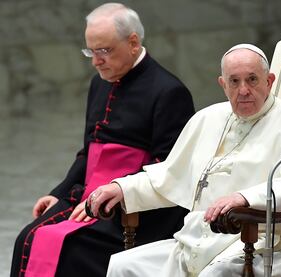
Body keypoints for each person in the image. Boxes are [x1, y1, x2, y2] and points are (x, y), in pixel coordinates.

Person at [89, 43, 281, 276]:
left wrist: (246, 198)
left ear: (269, 81)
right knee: (124, 266)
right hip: (198, 243)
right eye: (234, 81)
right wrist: (122, 187)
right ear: (222, 84)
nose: (244, 90)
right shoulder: (206, 119)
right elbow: (169, 178)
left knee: (218, 273)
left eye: (252, 79)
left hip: (272, 245)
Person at [11, 3, 194, 277]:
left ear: (133, 42)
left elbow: (167, 168)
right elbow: (89, 152)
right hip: (88, 194)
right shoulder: (99, 83)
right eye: (90, 51)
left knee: (71, 248)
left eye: (104, 51)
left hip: (134, 209)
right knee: (27, 238)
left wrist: (112, 195)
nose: (96, 61)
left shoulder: (169, 91)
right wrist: (58, 194)